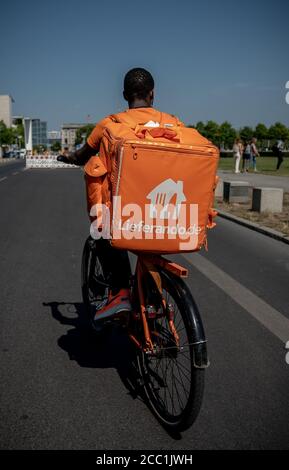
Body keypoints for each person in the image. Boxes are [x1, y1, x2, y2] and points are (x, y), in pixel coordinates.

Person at [58, 68, 185, 326]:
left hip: (125, 214)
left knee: (102, 231)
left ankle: (120, 294)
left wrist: (68, 157)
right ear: (152, 94)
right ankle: (152, 300)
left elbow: (82, 156)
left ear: (125, 95)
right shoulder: (174, 123)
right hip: (166, 212)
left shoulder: (110, 124)